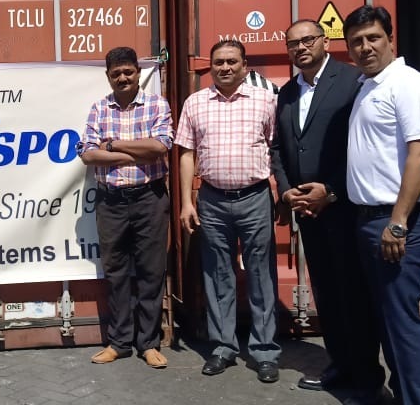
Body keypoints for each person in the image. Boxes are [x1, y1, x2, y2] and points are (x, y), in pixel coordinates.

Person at [269, 20, 385, 401]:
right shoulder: (288, 92)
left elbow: (363, 144)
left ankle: (367, 379)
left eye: (307, 40)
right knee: (327, 294)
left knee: (355, 295)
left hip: (346, 208)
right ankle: (340, 365)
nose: (300, 48)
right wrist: (286, 190)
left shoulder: (352, 82)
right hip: (308, 211)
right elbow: (279, 148)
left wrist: (331, 190)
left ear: (325, 42)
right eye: (293, 43)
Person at [344, 5, 420, 405]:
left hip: (400, 222)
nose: (365, 47)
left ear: (390, 39)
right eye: (356, 41)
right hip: (370, 220)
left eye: (373, 38)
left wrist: (398, 222)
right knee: (386, 320)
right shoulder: (368, 86)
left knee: (402, 324)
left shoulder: (409, 84)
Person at [175, 39, 280, 383]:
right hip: (213, 200)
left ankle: (265, 351)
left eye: (232, 61)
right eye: (219, 62)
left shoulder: (265, 100)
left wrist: (279, 192)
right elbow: (186, 153)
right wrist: (187, 202)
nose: (225, 67)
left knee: (261, 274)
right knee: (218, 273)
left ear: (245, 66)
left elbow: (276, 148)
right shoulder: (195, 102)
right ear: (211, 67)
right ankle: (223, 347)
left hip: (255, 198)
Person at [77, 46, 173, 370]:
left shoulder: (157, 105)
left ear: (138, 73)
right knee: (116, 273)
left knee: (151, 271)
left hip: (150, 198)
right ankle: (119, 343)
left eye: (128, 72)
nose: (122, 78)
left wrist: (114, 145)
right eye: (116, 73)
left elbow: (160, 146)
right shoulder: (99, 108)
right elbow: (88, 154)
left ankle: (148, 343)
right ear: (108, 77)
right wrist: (136, 153)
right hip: (111, 201)